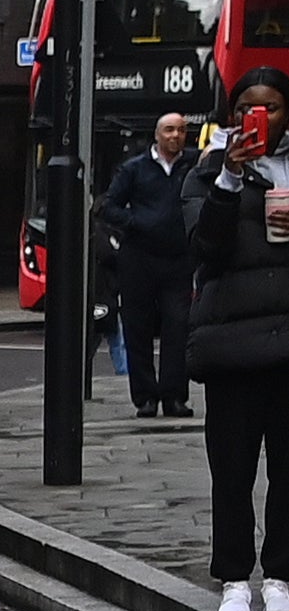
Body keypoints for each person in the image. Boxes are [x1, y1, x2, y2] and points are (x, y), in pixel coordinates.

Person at [190, 65, 289, 611]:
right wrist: (229, 179)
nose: (261, 117)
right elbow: (205, 247)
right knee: (232, 472)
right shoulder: (207, 173)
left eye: (272, 107)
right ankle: (234, 579)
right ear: (232, 117)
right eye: (249, 108)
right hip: (233, 348)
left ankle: (280, 576)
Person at [101, 109, 200, 423]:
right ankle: (145, 398)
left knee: (178, 327)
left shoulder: (192, 166)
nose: (175, 136)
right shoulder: (134, 169)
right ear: (158, 135)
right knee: (138, 328)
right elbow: (107, 207)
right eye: (169, 130)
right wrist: (135, 223)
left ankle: (174, 397)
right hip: (139, 258)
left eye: (181, 130)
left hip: (178, 259)